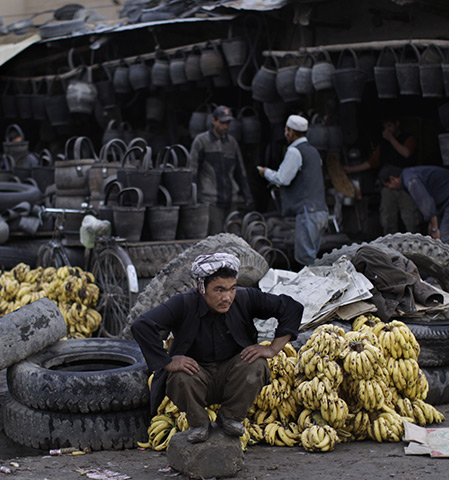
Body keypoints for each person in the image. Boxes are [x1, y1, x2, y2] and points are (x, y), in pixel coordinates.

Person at [131, 252, 302, 444]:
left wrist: (272, 349)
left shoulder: (245, 298)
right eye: (219, 290)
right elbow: (142, 325)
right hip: (197, 375)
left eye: (232, 288)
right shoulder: (184, 303)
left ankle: (230, 417)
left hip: (233, 374)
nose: (227, 297)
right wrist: (168, 361)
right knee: (178, 377)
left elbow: (291, 307)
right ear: (201, 287)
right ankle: (199, 423)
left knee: (257, 365)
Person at [257, 114, 329, 267]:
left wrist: (266, 172)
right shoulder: (314, 151)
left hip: (307, 212)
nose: (285, 133)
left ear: (290, 132)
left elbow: (283, 179)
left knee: (306, 260)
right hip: (320, 211)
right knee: (312, 257)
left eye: (286, 130)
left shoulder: (295, 151)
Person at [344, 116, 422, 234]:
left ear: (397, 124)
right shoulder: (384, 143)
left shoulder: (407, 138)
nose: (387, 130)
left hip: (405, 186)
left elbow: (406, 153)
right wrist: (351, 169)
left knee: (410, 218)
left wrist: (391, 139)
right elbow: (372, 162)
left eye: (390, 126)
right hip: (387, 186)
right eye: (385, 127)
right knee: (387, 219)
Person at [189, 105, 254, 234]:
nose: (225, 126)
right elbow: (193, 171)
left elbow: (240, 172)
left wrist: (247, 196)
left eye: (228, 123)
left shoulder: (232, 143)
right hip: (210, 200)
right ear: (213, 120)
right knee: (215, 239)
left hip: (231, 199)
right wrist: (193, 197)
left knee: (234, 238)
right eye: (222, 122)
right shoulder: (202, 141)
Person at [379, 165, 449, 254]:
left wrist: (435, 228)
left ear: (393, 179)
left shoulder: (411, 180)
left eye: (388, 185)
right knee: (440, 241)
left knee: (446, 242)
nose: (390, 189)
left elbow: (426, 203)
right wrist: (432, 224)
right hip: (446, 201)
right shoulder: (409, 175)